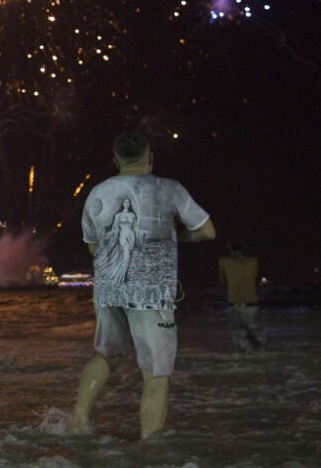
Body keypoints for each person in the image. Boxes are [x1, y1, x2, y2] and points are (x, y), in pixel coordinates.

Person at [69, 131, 215, 439]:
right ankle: (150, 448)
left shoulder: (97, 193)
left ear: (116, 159)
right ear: (150, 157)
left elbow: (94, 248)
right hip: (151, 295)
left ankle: (78, 419)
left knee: (106, 354)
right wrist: (176, 236)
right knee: (156, 375)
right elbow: (207, 232)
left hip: (109, 290)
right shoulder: (170, 189)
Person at [219, 241, 265, 351]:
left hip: (234, 301)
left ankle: (243, 358)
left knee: (238, 333)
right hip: (251, 301)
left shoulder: (224, 261)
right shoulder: (253, 261)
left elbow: (222, 281)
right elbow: (257, 279)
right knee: (256, 332)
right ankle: (259, 354)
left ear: (229, 248)